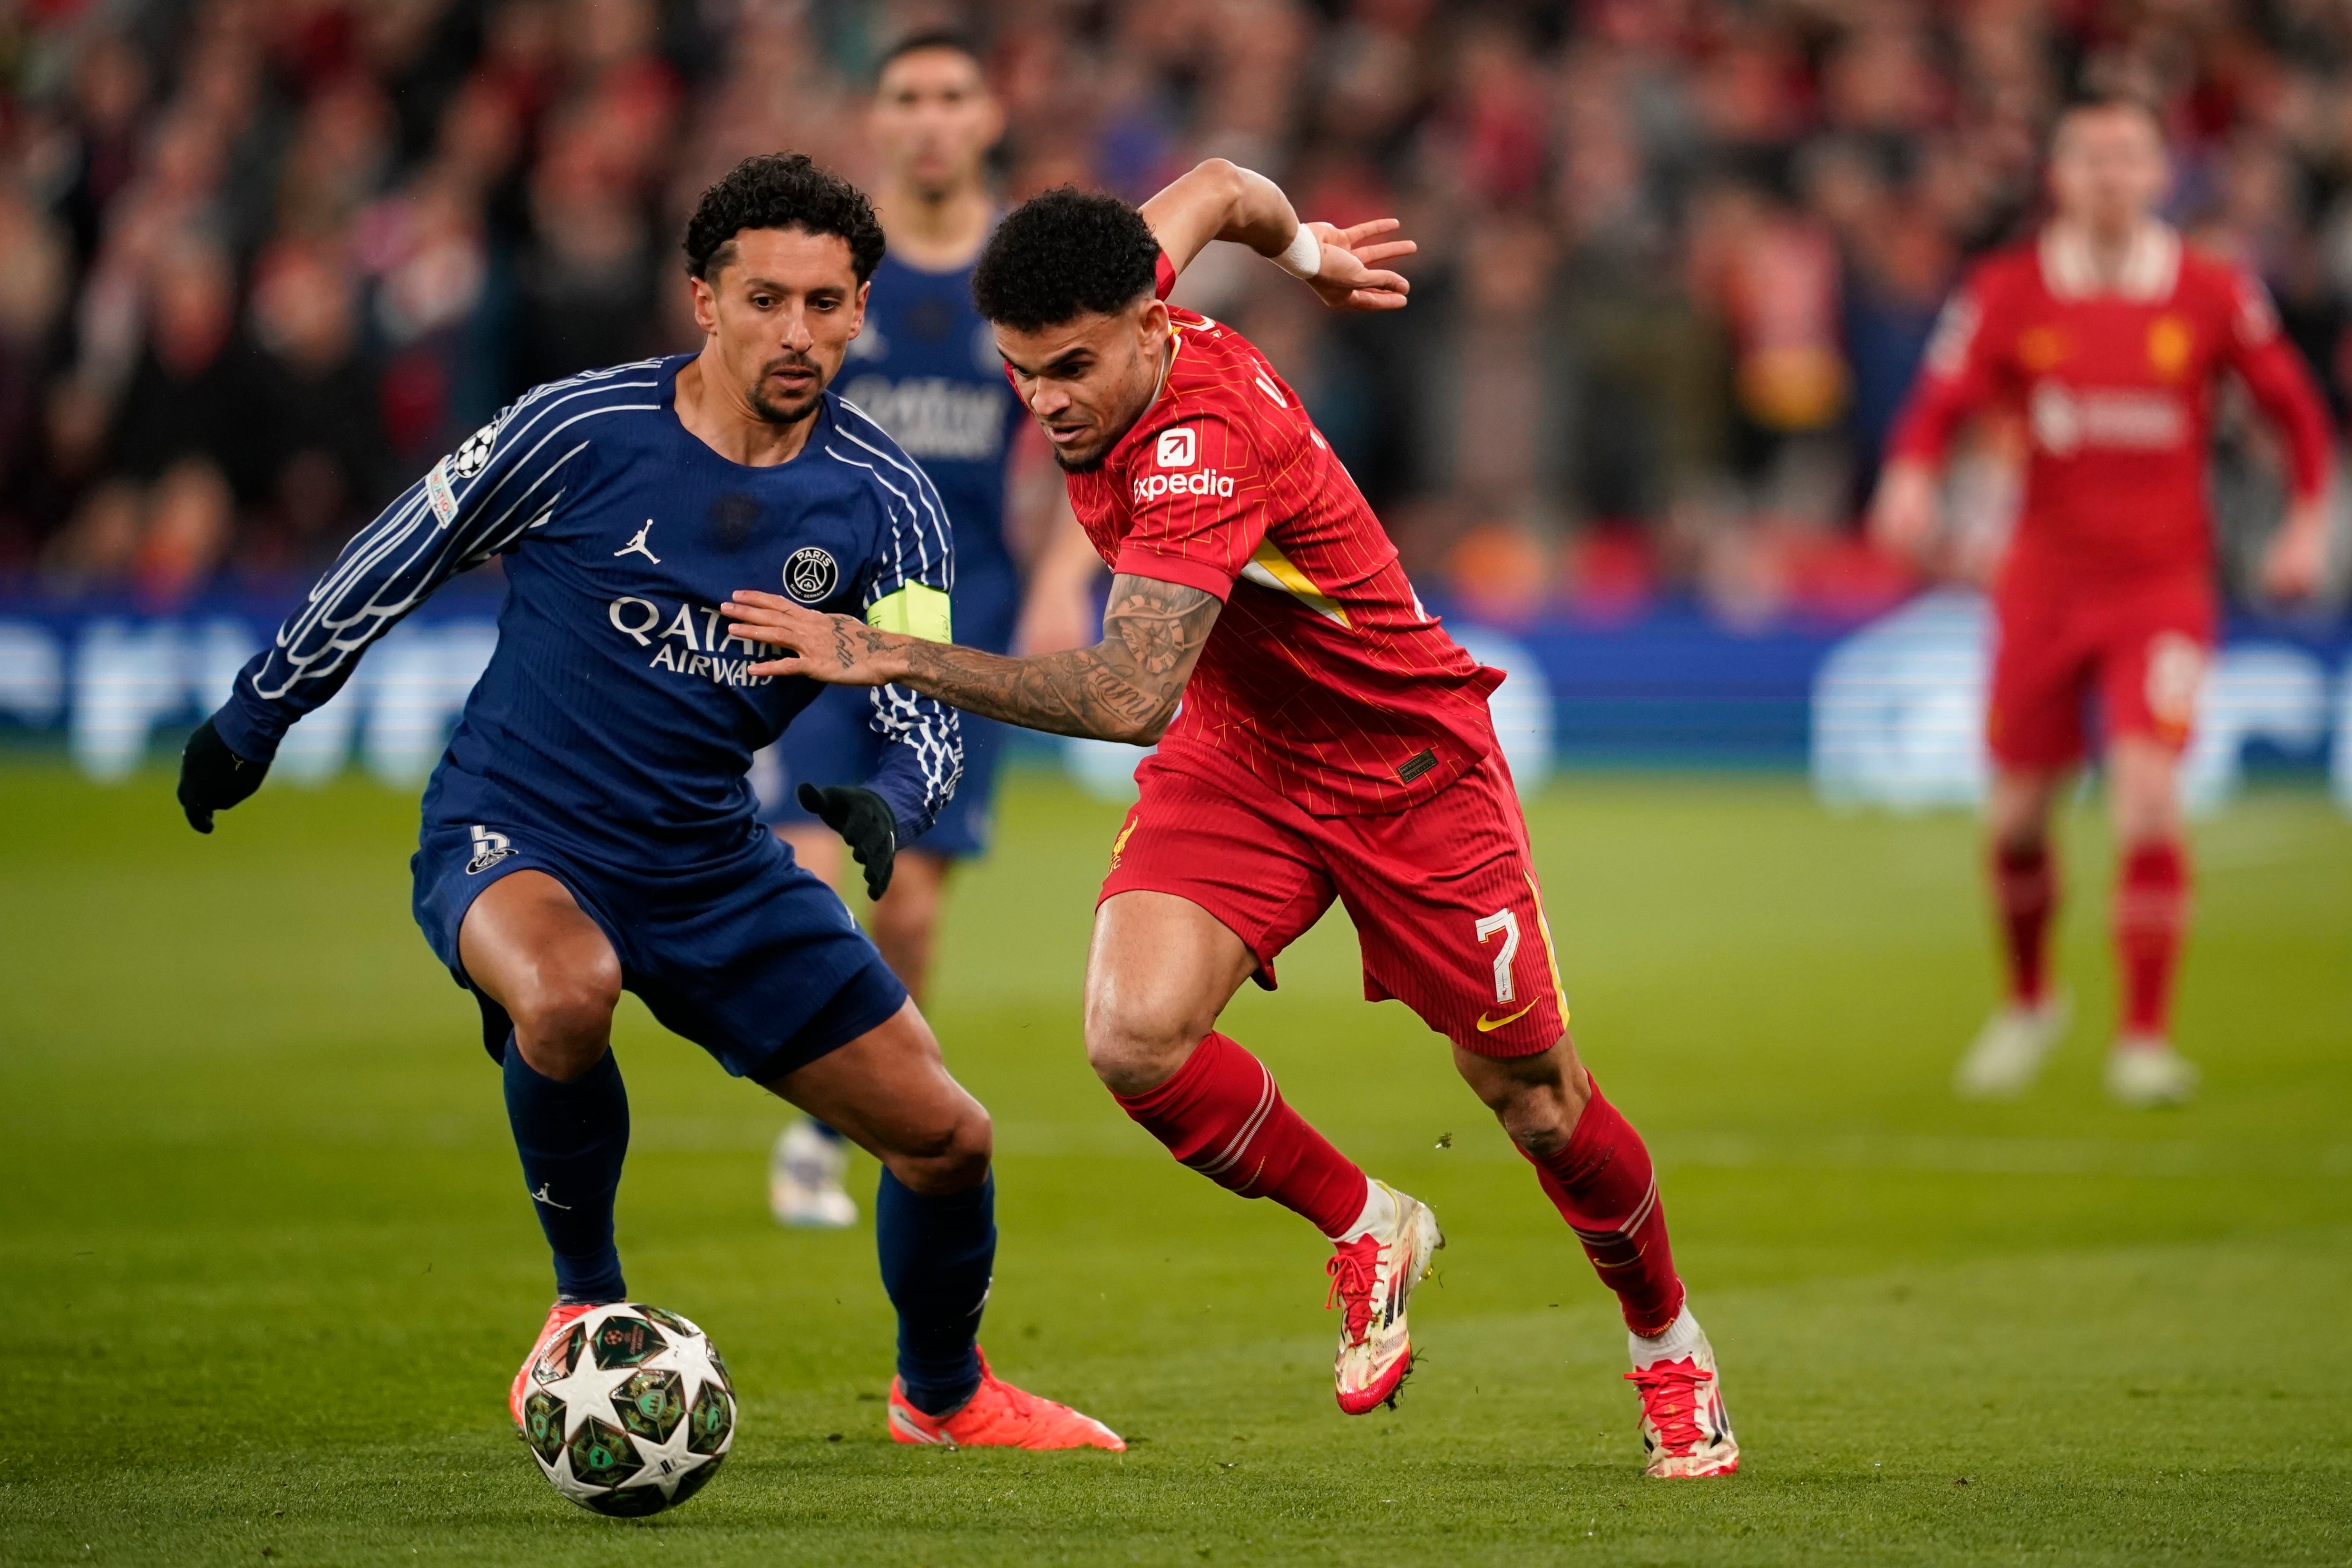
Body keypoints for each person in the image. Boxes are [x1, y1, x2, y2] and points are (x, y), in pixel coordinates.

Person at [722, 162, 1740, 1479]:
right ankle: (1366, 1219)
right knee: (1133, 1036)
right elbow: (1211, 186)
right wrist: (1306, 247)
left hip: (1406, 770)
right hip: (1248, 752)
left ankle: (1666, 1342)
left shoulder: (1199, 449)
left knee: (1535, 1101)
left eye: (1072, 369)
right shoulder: (1128, 291)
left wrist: (890, 654)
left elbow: (1132, 692)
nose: (1047, 403)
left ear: (1149, 329)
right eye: (1023, 372)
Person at [173, 152, 1122, 1452]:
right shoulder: (577, 431)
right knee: (568, 989)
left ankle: (943, 1396)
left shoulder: (885, 502)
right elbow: (399, 550)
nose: (798, 333)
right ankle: (583, 1312)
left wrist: (895, 794)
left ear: (861, 313)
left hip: (710, 863)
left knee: (949, 1138)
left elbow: (919, 688)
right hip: (518, 829)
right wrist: (257, 713)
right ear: (704, 302)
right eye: (767, 299)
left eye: (828, 304)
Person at [1872, 97, 2334, 1109]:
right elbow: (1937, 404)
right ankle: (2033, 1000)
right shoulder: (2008, 291)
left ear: (2160, 174)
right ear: (2060, 176)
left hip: (2161, 584)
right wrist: (1908, 477)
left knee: (2146, 796)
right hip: (2040, 585)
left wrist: (2307, 520)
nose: (2110, 176)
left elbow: (2294, 408)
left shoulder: (2211, 292)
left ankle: (2143, 1035)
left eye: (2129, 157)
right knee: (2017, 821)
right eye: (2090, 158)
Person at [760, 31, 1101, 1230]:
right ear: (879, 118)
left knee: (904, 907)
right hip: (822, 614)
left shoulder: (1026, 272)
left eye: (953, 95)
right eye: (907, 97)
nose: (931, 119)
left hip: (970, 624)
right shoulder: (829, 272)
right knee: (809, 881)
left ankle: (838, 1116)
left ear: (991, 113)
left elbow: (1090, 434)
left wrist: (1066, 575)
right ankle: (828, 1122)